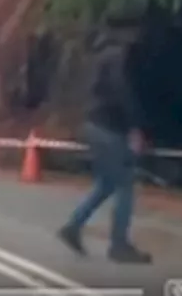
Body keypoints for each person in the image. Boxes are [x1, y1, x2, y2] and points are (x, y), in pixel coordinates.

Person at [56, 18, 153, 264]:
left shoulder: (99, 55)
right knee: (125, 186)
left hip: (93, 124)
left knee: (107, 184)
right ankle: (118, 246)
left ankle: (73, 227)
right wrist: (135, 126)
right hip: (109, 127)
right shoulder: (119, 56)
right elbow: (121, 91)